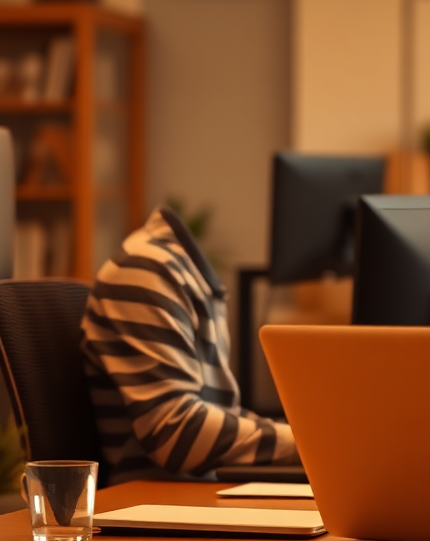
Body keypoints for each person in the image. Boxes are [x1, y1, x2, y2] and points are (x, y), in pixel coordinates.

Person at [81, 206, 298, 483]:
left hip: (192, 494)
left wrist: (305, 439)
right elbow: (177, 434)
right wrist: (310, 445)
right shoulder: (145, 269)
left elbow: (214, 416)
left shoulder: (183, 275)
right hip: (158, 502)